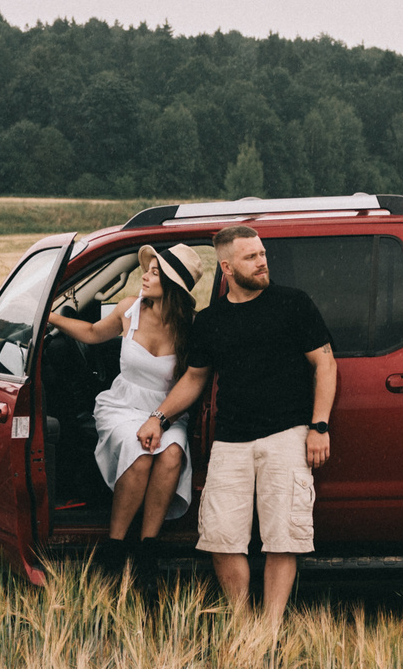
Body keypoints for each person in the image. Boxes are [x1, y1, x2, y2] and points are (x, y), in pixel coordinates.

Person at [141, 224, 334, 630]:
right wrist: (159, 417)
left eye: (262, 253)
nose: (262, 261)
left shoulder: (293, 304)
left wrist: (319, 425)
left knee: (283, 537)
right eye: (251, 257)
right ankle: (242, 625)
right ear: (226, 266)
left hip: (287, 435)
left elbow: (325, 363)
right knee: (220, 537)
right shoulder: (210, 322)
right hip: (230, 441)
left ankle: (270, 629)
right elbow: (195, 379)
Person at [46, 244, 196, 571]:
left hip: (166, 411)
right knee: (139, 452)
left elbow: (193, 382)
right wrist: (49, 316)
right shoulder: (130, 309)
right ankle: (115, 547)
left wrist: (162, 418)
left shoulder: (190, 328)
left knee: (172, 454)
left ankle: (147, 549)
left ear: (172, 284)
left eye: (155, 273)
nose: (145, 275)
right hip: (124, 406)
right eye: (149, 269)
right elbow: (91, 333)